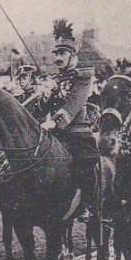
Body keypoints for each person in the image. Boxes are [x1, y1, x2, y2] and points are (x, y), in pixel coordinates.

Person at [39, 19, 97, 220]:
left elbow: (74, 102)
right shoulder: (55, 79)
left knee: (86, 162)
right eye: (56, 54)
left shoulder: (84, 76)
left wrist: (54, 121)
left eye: (62, 54)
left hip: (78, 132)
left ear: (73, 56)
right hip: (56, 134)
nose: (58, 58)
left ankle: (88, 205)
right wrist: (45, 97)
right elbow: (43, 108)